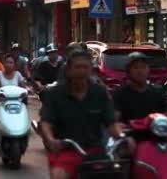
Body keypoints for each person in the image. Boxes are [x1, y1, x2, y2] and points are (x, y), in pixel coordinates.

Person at [40, 48, 123, 179]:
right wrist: (51, 140)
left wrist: (122, 137)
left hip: (95, 152)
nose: (81, 71)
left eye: (85, 67)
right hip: (66, 151)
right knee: (59, 175)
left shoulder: (100, 93)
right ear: (69, 70)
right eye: (77, 67)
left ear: (90, 70)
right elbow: (46, 122)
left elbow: (111, 123)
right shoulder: (54, 94)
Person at [113, 52, 167, 124]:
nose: (140, 71)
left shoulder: (158, 92)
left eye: (143, 67)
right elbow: (114, 118)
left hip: (156, 132)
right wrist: (116, 125)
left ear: (148, 70)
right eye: (135, 67)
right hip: (131, 134)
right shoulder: (120, 94)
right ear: (128, 71)